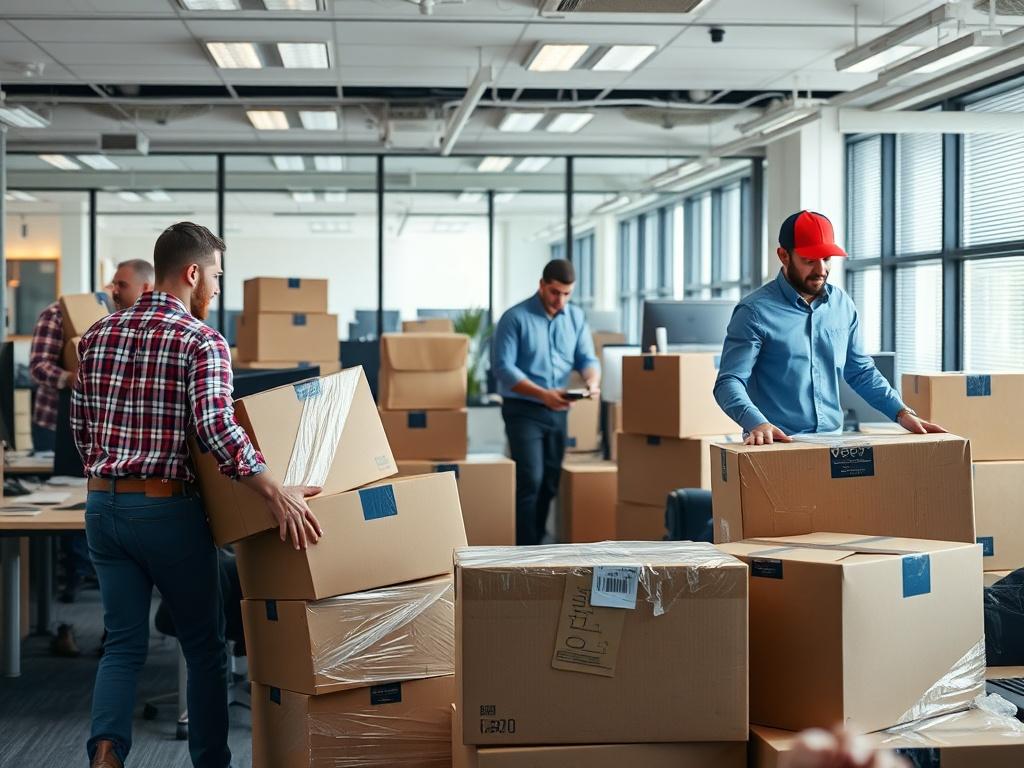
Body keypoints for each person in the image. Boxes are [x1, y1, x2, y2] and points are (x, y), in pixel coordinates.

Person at [72, 222, 323, 768]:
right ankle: (211, 763)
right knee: (205, 648)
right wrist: (273, 488)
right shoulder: (200, 340)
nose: (215, 286)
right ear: (192, 273)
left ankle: (107, 754)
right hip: (164, 511)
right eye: (215, 276)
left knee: (122, 644)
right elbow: (215, 427)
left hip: (102, 507)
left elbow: (82, 429)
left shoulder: (95, 335)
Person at [714, 210, 945, 446]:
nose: (821, 270)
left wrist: (901, 413)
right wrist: (756, 423)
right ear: (784, 256)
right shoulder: (754, 312)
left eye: (826, 259)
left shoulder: (842, 305)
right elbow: (728, 382)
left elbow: (861, 371)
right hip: (777, 444)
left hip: (833, 444)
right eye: (809, 260)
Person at [492, 258, 600, 545]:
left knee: (550, 482)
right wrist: (543, 394)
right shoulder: (514, 318)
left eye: (567, 294)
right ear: (541, 285)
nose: (560, 300)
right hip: (524, 409)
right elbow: (504, 368)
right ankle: (524, 554)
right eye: (555, 292)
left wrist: (592, 382)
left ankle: (536, 542)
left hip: (559, 409)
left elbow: (586, 358)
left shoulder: (575, 317)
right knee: (531, 480)